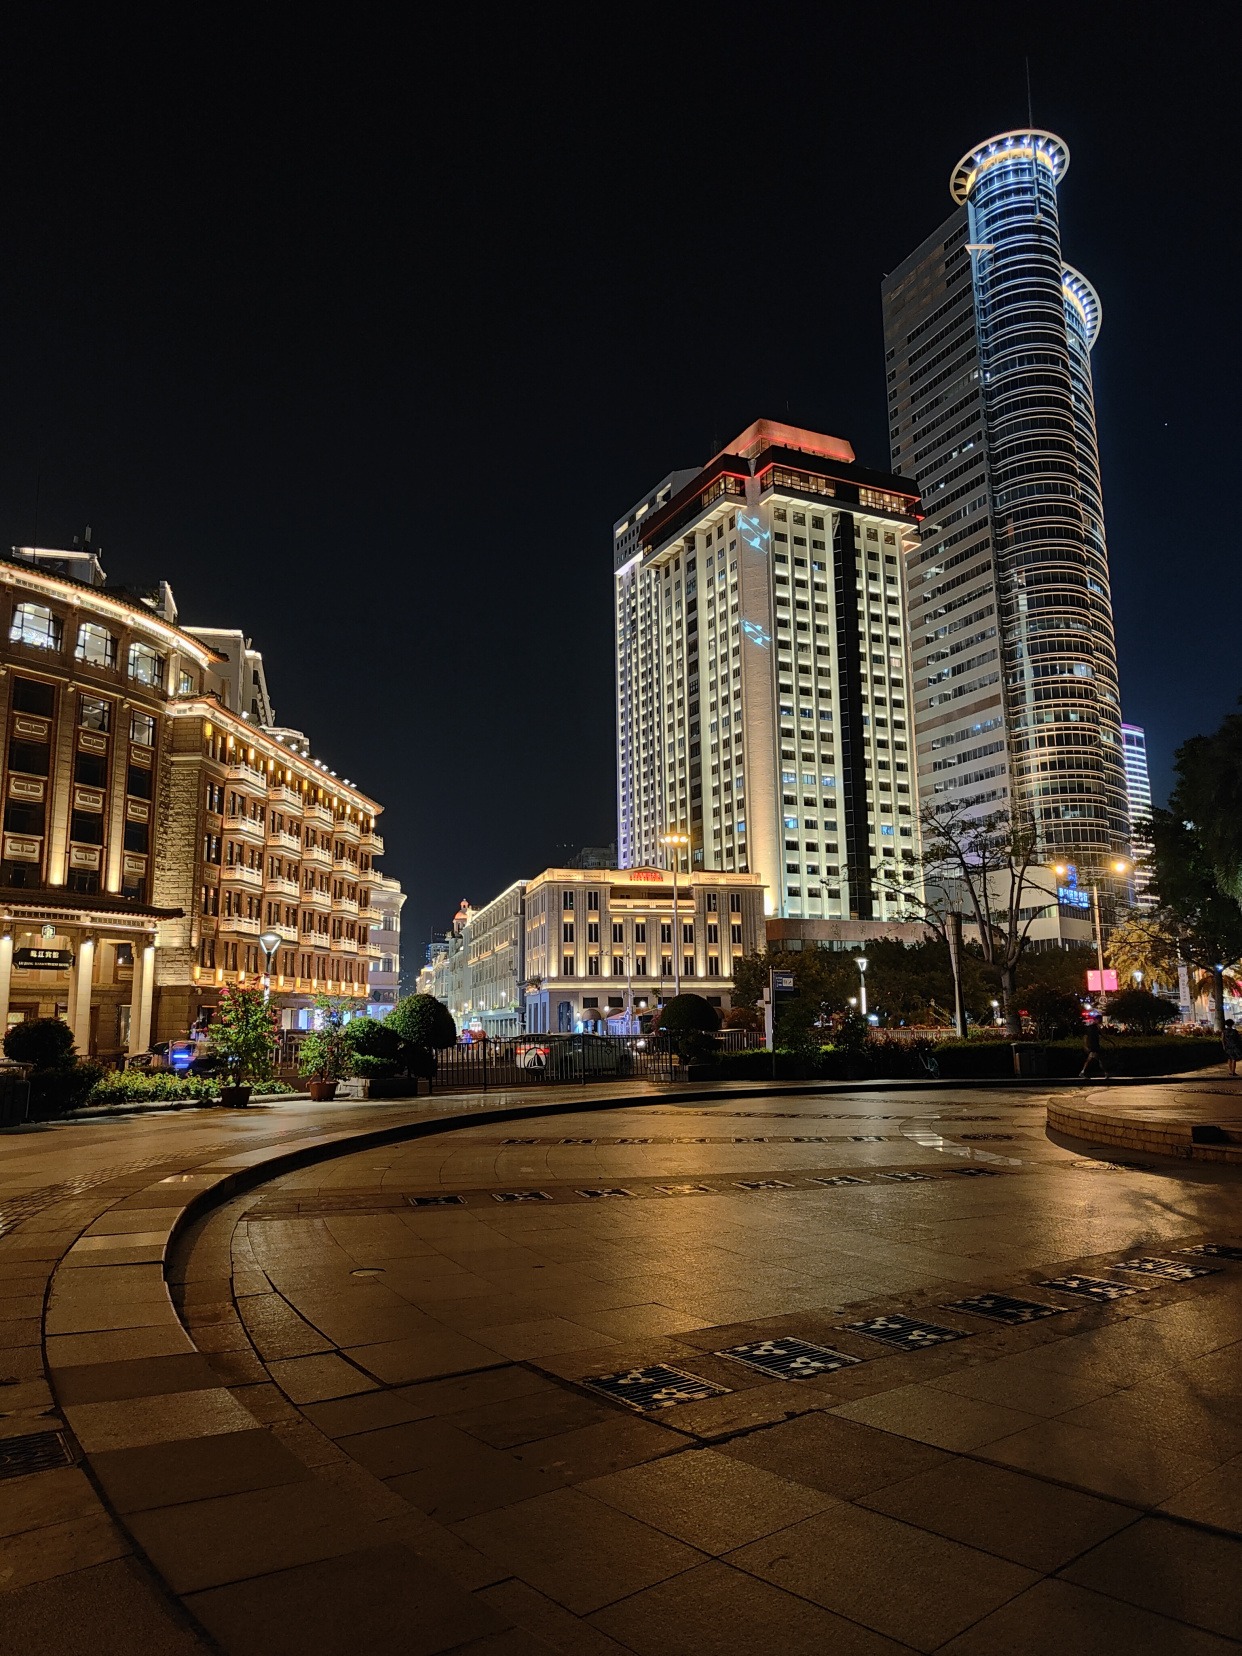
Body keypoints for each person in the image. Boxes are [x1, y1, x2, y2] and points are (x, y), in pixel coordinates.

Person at [1079, 1016, 1109, 1080]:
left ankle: (1083, 1072)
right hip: (1093, 1046)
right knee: (1097, 1059)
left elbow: (1102, 1035)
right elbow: (1087, 1036)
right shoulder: (1093, 1028)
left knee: (1095, 1059)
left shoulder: (1095, 1027)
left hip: (1094, 1046)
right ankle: (1106, 1073)